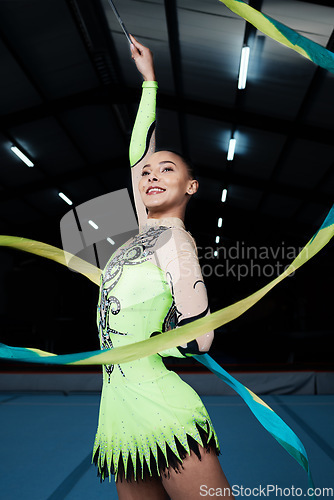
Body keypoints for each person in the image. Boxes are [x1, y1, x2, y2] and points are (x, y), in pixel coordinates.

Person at [92, 35, 235, 500]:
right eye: (148, 173)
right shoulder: (141, 231)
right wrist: (149, 82)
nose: (151, 175)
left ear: (191, 186)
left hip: (158, 402)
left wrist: (170, 330)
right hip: (116, 405)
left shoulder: (176, 243)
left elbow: (201, 336)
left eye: (167, 169)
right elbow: (137, 154)